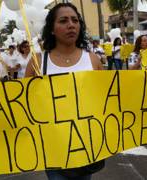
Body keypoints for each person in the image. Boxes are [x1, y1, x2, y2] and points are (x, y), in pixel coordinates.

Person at [25, 3, 104, 180]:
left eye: (75, 20)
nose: (71, 25)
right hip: (54, 150)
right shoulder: (37, 62)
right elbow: (23, 103)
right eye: (63, 20)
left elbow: (107, 98)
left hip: (86, 146)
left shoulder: (92, 60)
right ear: (52, 29)